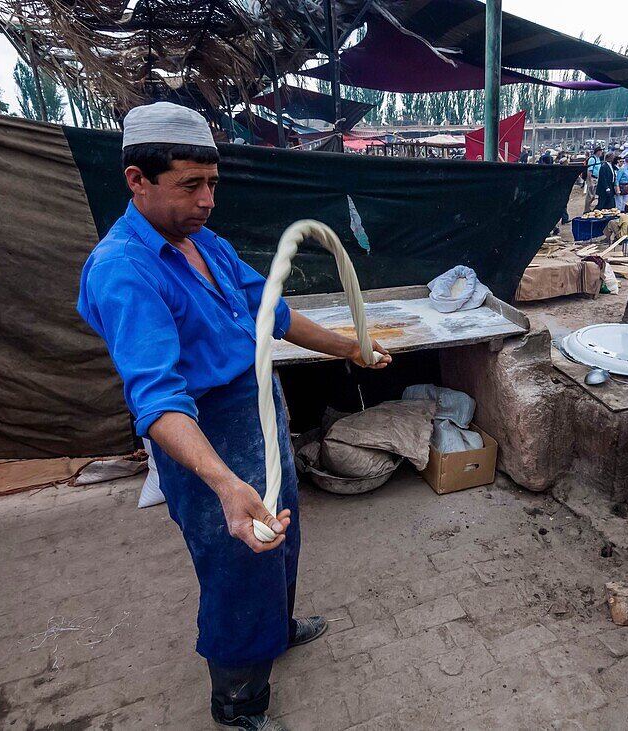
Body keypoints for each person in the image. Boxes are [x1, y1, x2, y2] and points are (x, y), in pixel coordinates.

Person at [76, 102, 392, 730]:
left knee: (281, 532)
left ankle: (276, 628)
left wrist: (349, 346)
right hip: (204, 432)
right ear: (137, 180)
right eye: (189, 185)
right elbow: (158, 401)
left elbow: (270, 311)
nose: (207, 200)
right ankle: (239, 705)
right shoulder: (124, 271)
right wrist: (223, 482)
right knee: (236, 562)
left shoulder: (203, 243)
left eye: (212, 183)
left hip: (258, 408)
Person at [584, 145, 603, 212]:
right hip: (592, 178)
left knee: (594, 195)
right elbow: (589, 170)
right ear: (597, 152)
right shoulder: (592, 159)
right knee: (590, 196)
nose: (601, 152)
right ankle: (586, 209)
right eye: (600, 151)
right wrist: (590, 181)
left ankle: (590, 208)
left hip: (597, 178)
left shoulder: (598, 159)